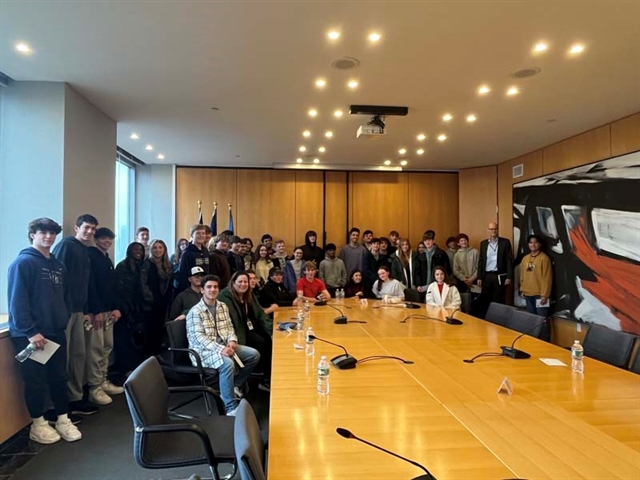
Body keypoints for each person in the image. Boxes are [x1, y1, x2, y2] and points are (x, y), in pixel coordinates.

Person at [8, 218, 83, 444]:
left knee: (60, 377)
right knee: (36, 380)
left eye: (52, 233)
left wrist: (64, 316)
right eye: (43, 233)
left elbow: (66, 296)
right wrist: (31, 332)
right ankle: (38, 424)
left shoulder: (58, 265)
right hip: (31, 336)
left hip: (56, 331)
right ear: (33, 235)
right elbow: (17, 302)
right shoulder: (22, 264)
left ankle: (62, 419)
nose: (49, 237)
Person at [186, 275, 260, 415]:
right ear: (202, 290)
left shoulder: (222, 306)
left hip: (225, 346)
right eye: (209, 287)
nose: (212, 290)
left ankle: (234, 385)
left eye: (215, 287)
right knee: (228, 364)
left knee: (253, 355)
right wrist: (221, 349)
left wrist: (232, 341)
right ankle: (230, 407)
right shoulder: (195, 311)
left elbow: (229, 327)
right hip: (203, 351)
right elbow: (199, 339)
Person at [52, 213, 99, 416]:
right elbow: (57, 280)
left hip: (79, 311)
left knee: (78, 356)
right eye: (86, 227)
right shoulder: (66, 246)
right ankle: (61, 406)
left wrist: (86, 310)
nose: (89, 232)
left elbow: (83, 284)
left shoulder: (85, 250)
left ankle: (76, 398)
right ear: (76, 228)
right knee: (65, 358)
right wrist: (62, 309)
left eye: (92, 229)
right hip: (65, 312)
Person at [86, 227, 123, 407]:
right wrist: (95, 310)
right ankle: (94, 387)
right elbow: (90, 286)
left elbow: (111, 287)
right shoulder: (91, 256)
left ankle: (103, 380)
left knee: (107, 346)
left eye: (109, 238)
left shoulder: (106, 258)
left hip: (108, 311)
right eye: (103, 238)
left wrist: (115, 307)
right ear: (96, 239)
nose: (107, 241)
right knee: (96, 349)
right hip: (97, 313)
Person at [218, 271, 273, 391]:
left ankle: (268, 377)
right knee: (262, 342)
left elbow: (260, 314)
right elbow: (206, 304)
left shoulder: (249, 295)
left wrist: (271, 330)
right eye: (240, 282)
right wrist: (185, 314)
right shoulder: (224, 296)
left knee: (269, 340)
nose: (243, 284)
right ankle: (263, 379)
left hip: (249, 327)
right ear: (233, 282)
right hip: (236, 332)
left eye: (245, 282)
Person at [112, 242, 150, 381]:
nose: (138, 251)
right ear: (129, 251)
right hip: (124, 310)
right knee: (124, 340)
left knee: (137, 340)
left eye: (140, 249)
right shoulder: (122, 267)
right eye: (135, 249)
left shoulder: (141, 267)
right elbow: (119, 290)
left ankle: (136, 367)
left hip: (138, 309)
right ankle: (125, 369)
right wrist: (124, 308)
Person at [477, 222, 514, 306]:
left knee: (499, 299)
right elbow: (481, 261)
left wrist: (509, 276)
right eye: (491, 229)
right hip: (487, 276)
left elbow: (509, 260)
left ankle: (498, 318)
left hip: (499, 276)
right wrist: (479, 277)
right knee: (486, 299)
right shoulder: (483, 243)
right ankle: (486, 318)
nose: (493, 231)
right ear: (488, 230)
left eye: (495, 229)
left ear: (497, 230)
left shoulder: (505, 242)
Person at [520, 234, 553, 317]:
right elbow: (522, 275)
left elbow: (547, 278)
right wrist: (522, 290)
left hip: (540, 295)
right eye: (530, 243)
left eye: (535, 242)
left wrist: (545, 295)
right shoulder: (525, 259)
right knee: (532, 319)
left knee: (542, 319)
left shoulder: (544, 259)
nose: (533, 245)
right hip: (528, 294)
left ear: (540, 244)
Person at [415, 230, 451, 295]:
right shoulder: (421, 256)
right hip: (423, 286)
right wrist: (418, 284)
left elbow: (446, 269)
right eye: (425, 241)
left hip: (438, 284)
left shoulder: (441, 253)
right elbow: (418, 272)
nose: (427, 242)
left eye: (429, 240)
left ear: (433, 240)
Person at [177, 224, 210, 292]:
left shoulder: (206, 251)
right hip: (191, 289)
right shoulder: (187, 253)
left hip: (204, 287)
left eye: (203, 233)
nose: (201, 235)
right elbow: (183, 273)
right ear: (192, 235)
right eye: (198, 233)